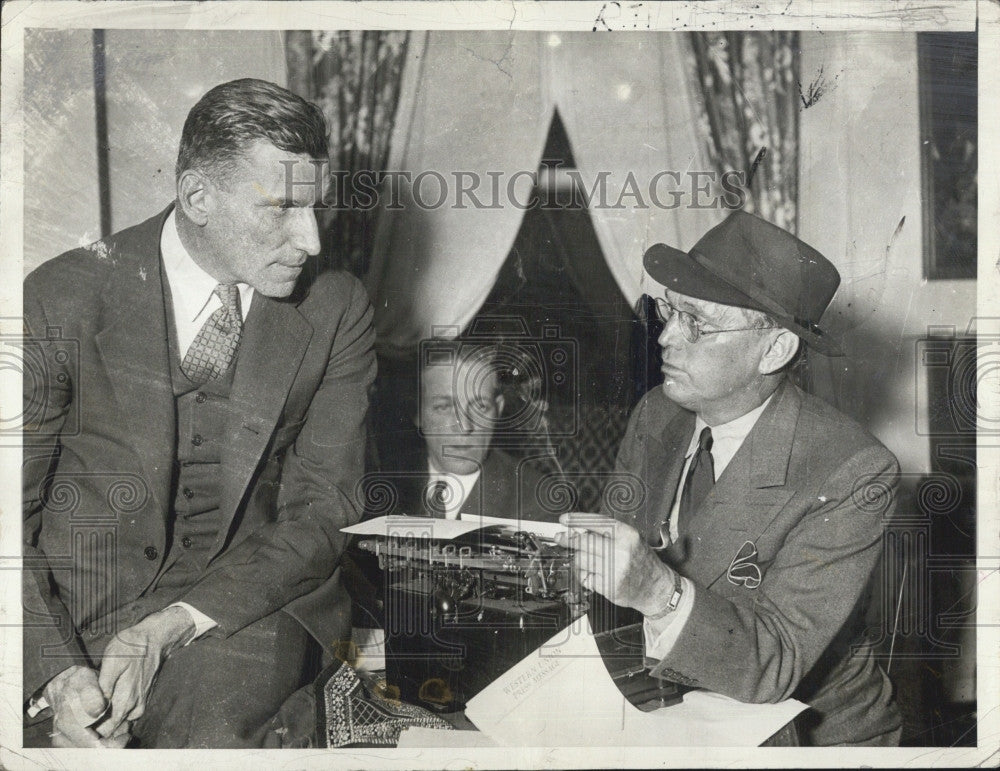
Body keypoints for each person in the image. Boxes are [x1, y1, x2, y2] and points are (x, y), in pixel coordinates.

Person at [22, 78, 376, 748]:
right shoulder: (60, 296)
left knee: (214, 732)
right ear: (197, 197)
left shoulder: (336, 308)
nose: (311, 241)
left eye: (316, 209)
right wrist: (59, 675)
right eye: (281, 210)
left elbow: (323, 510)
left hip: (240, 611)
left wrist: (175, 622)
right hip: (72, 618)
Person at [558, 210, 902, 746]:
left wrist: (656, 590)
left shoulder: (852, 470)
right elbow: (609, 577)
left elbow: (775, 662)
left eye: (698, 323)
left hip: (803, 737)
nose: (668, 337)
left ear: (775, 350)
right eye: (669, 311)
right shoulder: (658, 415)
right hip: (668, 707)